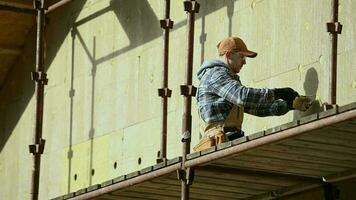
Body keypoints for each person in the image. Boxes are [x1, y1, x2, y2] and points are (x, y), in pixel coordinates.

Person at [194, 36, 307, 152]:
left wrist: (288, 105)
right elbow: (243, 97)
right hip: (218, 145)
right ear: (228, 55)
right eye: (241, 56)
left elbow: (257, 109)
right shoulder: (215, 74)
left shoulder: (226, 80)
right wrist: (277, 93)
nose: (244, 62)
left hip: (225, 143)